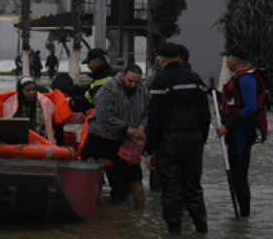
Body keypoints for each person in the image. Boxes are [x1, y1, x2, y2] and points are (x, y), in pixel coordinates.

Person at [144, 43, 211, 235]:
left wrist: (149, 150)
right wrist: (201, 142)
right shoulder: (197, 80)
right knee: (193, 186)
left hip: (169, 141)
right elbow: (206, 116)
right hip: (194, 139)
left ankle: (174, 231)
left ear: (162, 60)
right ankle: (202, 229)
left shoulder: (161, 82)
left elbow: (154, 120)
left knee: (171, 188)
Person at [80, 64, 149, 208]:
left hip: (124, 141)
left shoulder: (143, 90)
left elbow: (149, 111)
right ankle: (83, 205)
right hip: (100, 137)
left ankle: (140, 213)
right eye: (130, 81)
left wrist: (142, 126)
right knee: (85, 172)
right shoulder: (108, 88)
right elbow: (104, 115)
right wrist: (126, 129)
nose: (133, 85)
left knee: (135, 177)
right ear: (123, 76)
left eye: (136, 82)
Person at [216, 45, 262, 218]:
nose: (226, 61)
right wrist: (209, 90)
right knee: (236, 176)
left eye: (227, 58)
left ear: (235, 59)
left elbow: (251, 107)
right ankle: (241, 223)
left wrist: (227, 126)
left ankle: (244, 217)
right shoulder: (237, 79)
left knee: (240, 176)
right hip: (235, 133)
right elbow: (230, 102)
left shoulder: (246, 78)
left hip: (242, 133)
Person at [0, 76, 83, 144]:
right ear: (20, 91)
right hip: (15, 145)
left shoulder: (46, 103)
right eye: (28, 90)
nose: (32, 93)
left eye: (34, 90)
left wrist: (79, 118)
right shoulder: (8, 104)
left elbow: (60, 116)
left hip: (41, 144)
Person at [71, 48, 121, 113]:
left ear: (97, 61)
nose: (88, 66)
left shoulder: (105, 76)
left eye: (89, 62)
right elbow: (89, 87)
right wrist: (72, 89)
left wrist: (68, 101)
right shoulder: (108, 72)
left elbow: (89, 97)